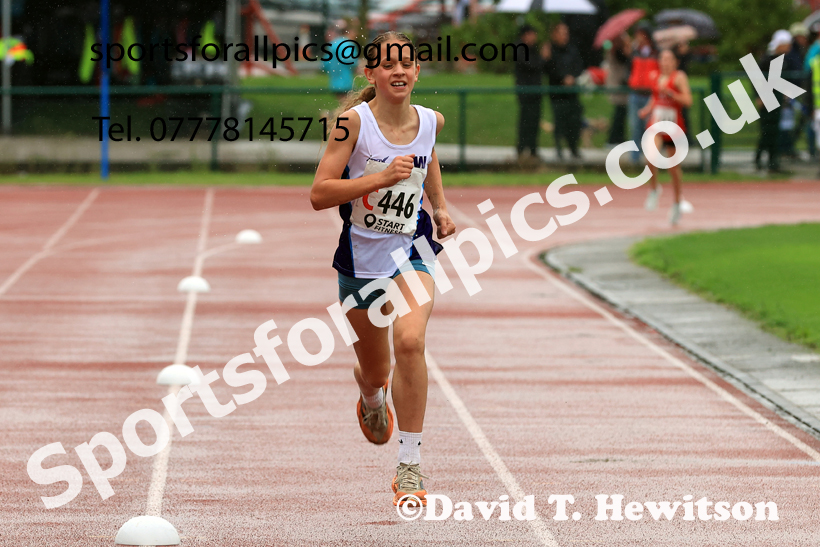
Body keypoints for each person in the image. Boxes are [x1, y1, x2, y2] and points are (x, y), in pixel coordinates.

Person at [310, 31, 457, 508]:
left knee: (410, 341)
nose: (398, 70)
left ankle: (410, 465)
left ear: (417, 72)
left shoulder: (430, 121)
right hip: (360, 263)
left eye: (406, 62)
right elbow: (319, 193)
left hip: (411, 250)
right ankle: (372, 397)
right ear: (370, 73)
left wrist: (439, 207)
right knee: (376, 370)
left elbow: (427, 157)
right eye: (387, 63)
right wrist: (378, 178)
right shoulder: (351, 124)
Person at [638, 49, 693, 225]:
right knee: (650, 155)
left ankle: (677, 202)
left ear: (675, 62)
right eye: (662, 59)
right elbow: (655, 98)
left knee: (673, 168)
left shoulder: (679, 77)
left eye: (669, 59)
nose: (665, 62)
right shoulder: (655, 76)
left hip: (674, 126)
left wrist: (671, 93)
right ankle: (654, 188)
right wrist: (647, 110)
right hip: (657, 123)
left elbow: (688, 101)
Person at [544, 22, 585, 160]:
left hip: (572, 93)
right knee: (559, 122)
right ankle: (559, 150)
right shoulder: (550, 50)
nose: (564, 36)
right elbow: (548, 70)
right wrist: (562, 78)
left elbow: (579, 66)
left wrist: (572, 78)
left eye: (566, 33)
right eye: (561, 33)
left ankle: (574, 149)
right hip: (557, 93)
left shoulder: (572, 50)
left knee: (574, 122)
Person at [755, 31, 793, 173]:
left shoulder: (782, 61)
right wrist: (759, 96)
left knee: (773, 130)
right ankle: (760, 158)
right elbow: (757, 79)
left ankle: (771, 160)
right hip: (767, 99)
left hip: (775, 99)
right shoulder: (766, 60)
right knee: (767, 130)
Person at [514, 25, 545, 163]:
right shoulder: (520, 48)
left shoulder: (533, 49)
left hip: (535, 91)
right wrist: (543, 58)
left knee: (534, 121)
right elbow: (531, 65)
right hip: (526, 91)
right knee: (526, 121)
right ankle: (522, 149)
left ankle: (532, 149)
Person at [628, 22, 658, 164]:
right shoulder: (634, 51)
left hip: (650, 94)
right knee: (635, 126)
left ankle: (650, 157)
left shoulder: (655, 52)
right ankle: (635, 158)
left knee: (650, 127)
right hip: (636, 93)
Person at [605, 32, 631, 145]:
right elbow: (626, 59)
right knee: (619, 112)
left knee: (621, 112)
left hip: (619, 84)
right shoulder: (616, 50)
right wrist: (628, 45)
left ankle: (618, 137)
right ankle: (613, 138)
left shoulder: (614, 49)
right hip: (618, 85)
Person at [323, 24, 357, 102]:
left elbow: (325, 64)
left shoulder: (332, 44)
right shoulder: (348, 44)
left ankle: (332, 114)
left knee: (342, 103)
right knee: (347, 104)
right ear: (350, 32)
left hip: (334, 81)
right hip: (345, 80)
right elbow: (351, 61)